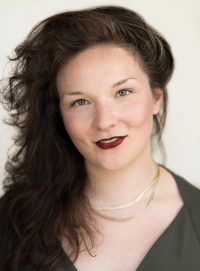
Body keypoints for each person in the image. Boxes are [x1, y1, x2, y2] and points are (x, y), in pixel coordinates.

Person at [0, 5, 200, 271]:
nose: (105, 121)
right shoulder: (13, 219)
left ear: (156, 98)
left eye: (123, 92)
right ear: (59, 114)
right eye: (80, 101)